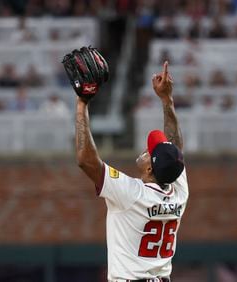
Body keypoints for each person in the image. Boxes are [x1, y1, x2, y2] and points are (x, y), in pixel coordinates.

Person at [74, 61, 188, 281]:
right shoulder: (178, 192)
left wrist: (82, 104)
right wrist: (166, 99)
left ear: (149, 168)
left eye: (150, 151)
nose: (146, 150)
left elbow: (86, 161)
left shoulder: (132, 194)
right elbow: (175, 151)